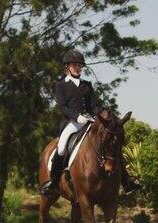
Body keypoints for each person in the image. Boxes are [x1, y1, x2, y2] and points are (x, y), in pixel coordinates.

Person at [40, 49, 140, 196]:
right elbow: (62, 106)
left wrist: (102, 113)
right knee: (61, 147)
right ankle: (53, 182)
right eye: (74, 65)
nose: (78, 68)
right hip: (71, 122)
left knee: (111, 144)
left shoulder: (87, 84)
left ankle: (126, 181)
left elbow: (93, 106)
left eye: (80, 66)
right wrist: (77, 117)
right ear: (67, 67)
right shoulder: (61, 85)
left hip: (89, 120)